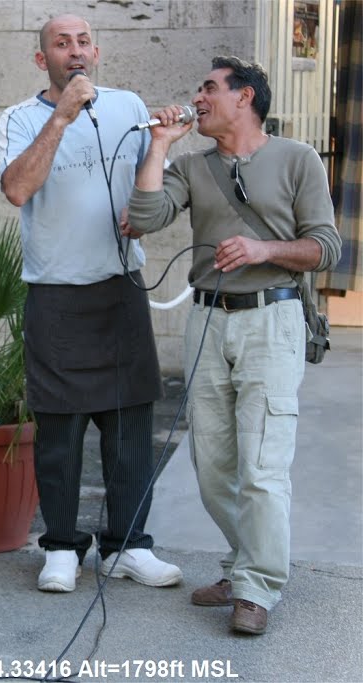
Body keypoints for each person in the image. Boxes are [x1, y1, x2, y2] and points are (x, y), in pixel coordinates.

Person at [127, 57, 341, 634]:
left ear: (244, 98)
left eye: (210, 88)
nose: (198, 97)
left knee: (263, 463)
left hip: (272, 321)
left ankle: (256, 588)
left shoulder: (297, 159)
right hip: (207, 321)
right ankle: (245, 563)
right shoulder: (192, 166)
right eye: (197, 88)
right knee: (213, 464)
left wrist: (263, 250)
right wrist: (159, 145)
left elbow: (326, 246)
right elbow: (142, 219)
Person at [0, 14, 182, 593]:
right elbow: (18, 188)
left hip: (119, 285)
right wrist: (63, 116)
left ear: (95, 51)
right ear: (41, 59)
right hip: (55, 292)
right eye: (60, 43)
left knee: (131, 425)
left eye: (82, 42)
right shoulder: (21, 119)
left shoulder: (128, 106)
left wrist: (160, 147)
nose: (73, 51)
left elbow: (153, 192)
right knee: (59, 431)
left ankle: (129, 546)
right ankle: (60, 548)